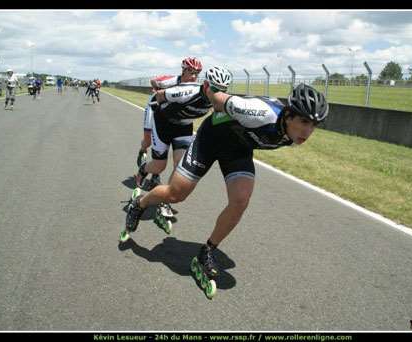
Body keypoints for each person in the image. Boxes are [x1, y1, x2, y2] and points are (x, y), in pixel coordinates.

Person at [122, 78, 328, 298]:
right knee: (176, 194)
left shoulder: (291, 132)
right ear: (288, 115)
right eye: (304, 122)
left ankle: (207, 251)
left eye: (314, 125)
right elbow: (218, 99)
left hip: (238, 150)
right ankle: (140, 204)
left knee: (241, 200)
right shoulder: (259, 112)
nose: (308, 131)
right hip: (210, 141)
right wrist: (205, 91)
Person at [133, 57, 207, 220]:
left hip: (183, 126)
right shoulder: (172, 81)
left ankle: (165, 199)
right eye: (190, 72)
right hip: (161, 120)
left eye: (197, 73)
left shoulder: (198, 88)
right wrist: (159, 88)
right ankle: (144, 168)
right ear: (183, 70)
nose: (194, 76)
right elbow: (154, 82)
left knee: (180, 164)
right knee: (158, 164)